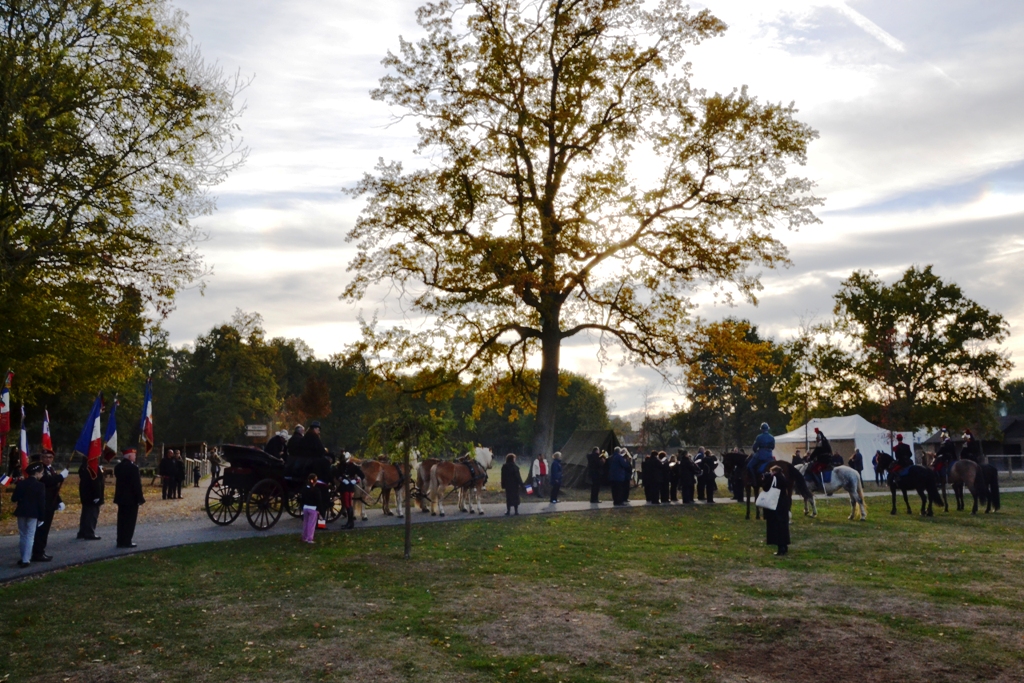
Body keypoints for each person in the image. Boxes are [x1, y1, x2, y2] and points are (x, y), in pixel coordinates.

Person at [34, 450, 67, 562]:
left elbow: (54, 488)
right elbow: (46, 481)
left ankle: (41, 551)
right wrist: (61, 476)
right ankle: (37, 552)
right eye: (45, 457)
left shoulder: (51, 469)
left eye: (50, 457)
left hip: (50, 503)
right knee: (41, 529)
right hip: (43, 503)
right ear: (41, 458)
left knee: (45, 529)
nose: (47, 459)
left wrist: (59, 501)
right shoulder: (39, 469)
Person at [12, 463, 46, 567]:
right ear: (36, 473)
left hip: (21, 511)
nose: (42, 475)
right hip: (33, 512)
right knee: (30, 535)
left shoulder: (21, 484)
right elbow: (41, 503)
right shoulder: (40, 485)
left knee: (23, 535)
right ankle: (26, 559)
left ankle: (23, 557)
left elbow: (14, 498)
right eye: (41, 473)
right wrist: (42, 516)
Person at [114, 448, 145, 548]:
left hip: (121, 498)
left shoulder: (118, 467)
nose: (135, 457)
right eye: (134, 455)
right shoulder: (133, 468)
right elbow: (136, 485)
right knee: (129, 521)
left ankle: (120, 540)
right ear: (129, 456)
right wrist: (140, 498)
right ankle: (127, 540)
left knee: (121, 520)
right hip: (131, 499)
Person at [761, 464, 792, 556]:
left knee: (776, 527)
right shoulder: (783, 478)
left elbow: (766, 488)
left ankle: (780, 548)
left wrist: (765, 479)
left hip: (775, 505)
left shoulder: (773, 478)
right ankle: (785, 546)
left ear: (774, 472)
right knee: (783, 526)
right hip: (783, 504)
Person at [77, 459, 105, 541]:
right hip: (92, 495)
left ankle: (82, 532)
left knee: (85, 513)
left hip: (86, 494)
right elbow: (96, 482)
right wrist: (97, 495)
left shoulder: (84, 467)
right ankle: (89, 532)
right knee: (91, 514)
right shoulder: (92, 467)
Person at [300, 472, 322, 544]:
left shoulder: (304, 489)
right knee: (311, 524)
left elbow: (302, 499)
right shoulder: (316, 490)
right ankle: (310, 538)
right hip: (313, 509)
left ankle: (304, 537)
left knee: (305, 523)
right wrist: (318, 509)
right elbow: (318, 501)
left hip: (305, 508)